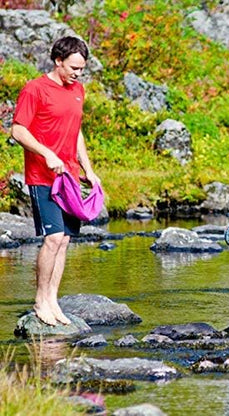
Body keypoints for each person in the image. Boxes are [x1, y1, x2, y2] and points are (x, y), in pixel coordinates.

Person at [11, 36, 100, 326]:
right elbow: (19, 131)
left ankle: (53, 300)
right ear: (58, 61)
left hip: (70, 178)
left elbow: (76, 132)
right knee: (51, 238)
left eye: (81, 69)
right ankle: (40, 301)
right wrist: (46, 153)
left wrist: (88, 169)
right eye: (73, 67)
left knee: (63, 240)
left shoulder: (78, 90)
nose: (77, 73)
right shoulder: (35, 89)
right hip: (43, 176)